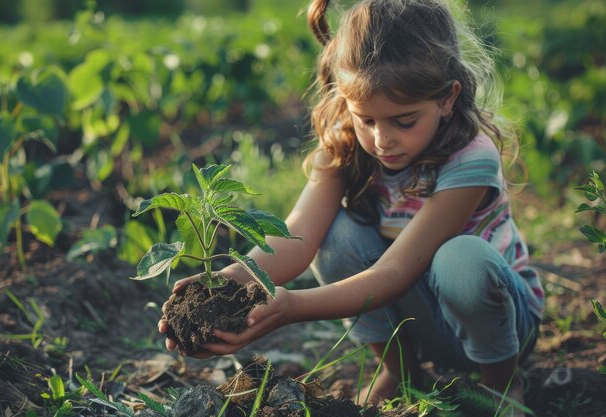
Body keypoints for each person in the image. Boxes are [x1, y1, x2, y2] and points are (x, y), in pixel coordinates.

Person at [159, 0, 544, 413]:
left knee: (461, 258)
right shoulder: (345, 146)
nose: (381, 140)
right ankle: (402, 372)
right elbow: (297, 236)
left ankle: (504, 385)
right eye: (366, 119)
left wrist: (291, 307)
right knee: (337, 235)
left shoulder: (471, 159)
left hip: (500, 323)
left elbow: (394, 273)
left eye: (404, 121)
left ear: (448, 98)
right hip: (422, 322)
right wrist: (233, 278)